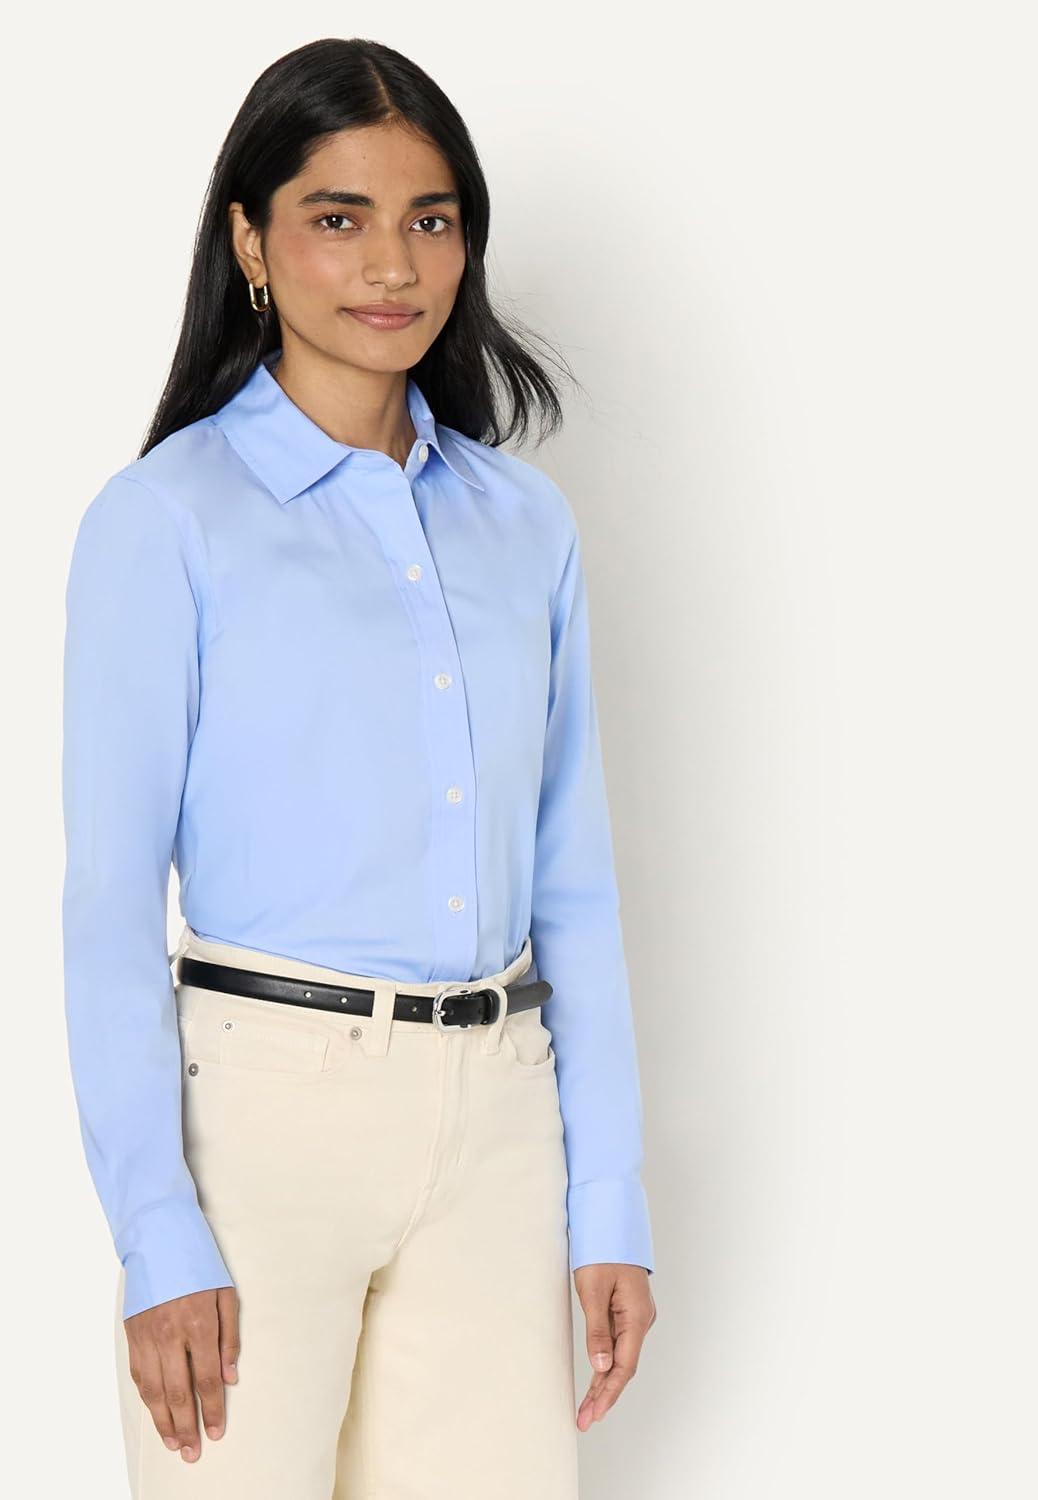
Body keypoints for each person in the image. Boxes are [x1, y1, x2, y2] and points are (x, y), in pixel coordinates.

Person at [59, 36, 656, 1498]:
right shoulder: (168, 519)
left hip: (499, 1121)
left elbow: (574, 883)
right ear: (251, 243)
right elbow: (107, 903)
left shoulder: (524, 523)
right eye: (339, 217)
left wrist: (608, 1204)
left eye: (430, 218)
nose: (393, 264)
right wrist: (158, 1229)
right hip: (262, 1129)